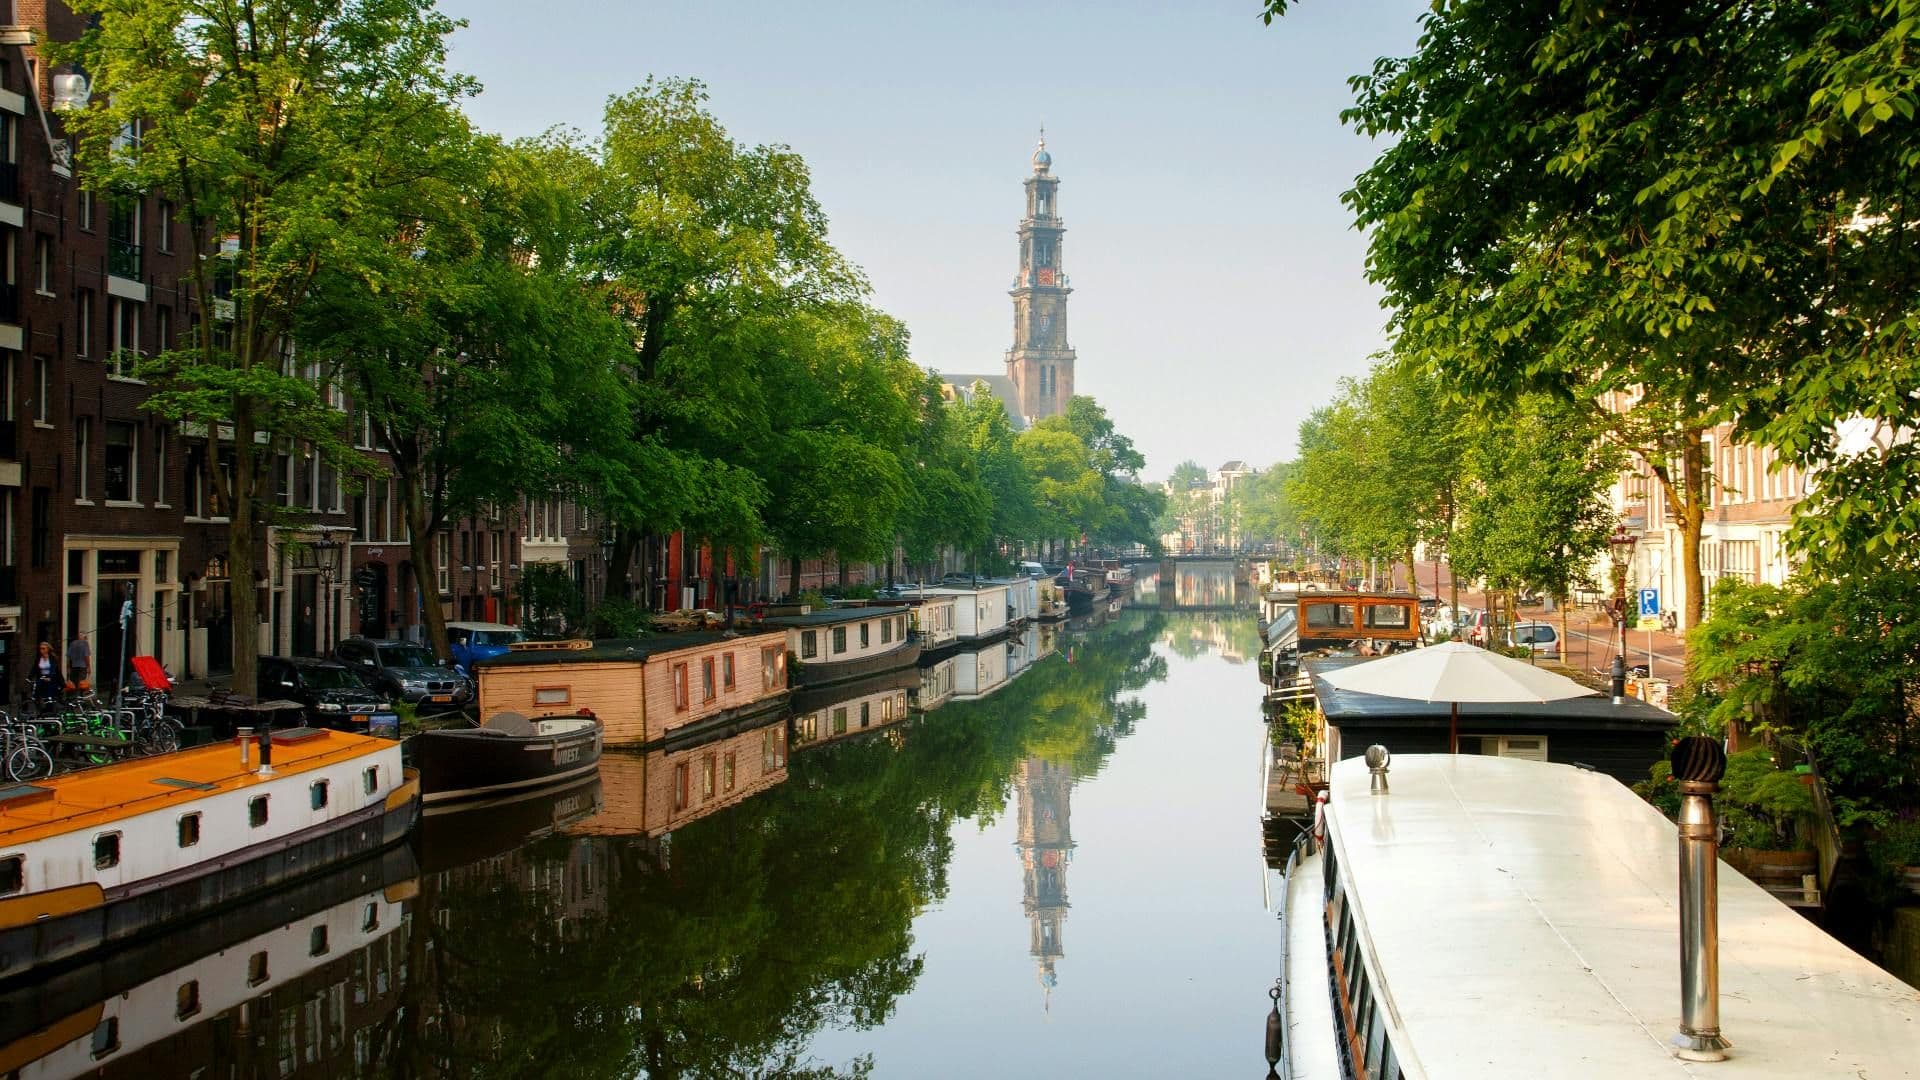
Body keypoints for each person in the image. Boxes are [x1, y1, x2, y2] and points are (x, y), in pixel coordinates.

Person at [31, 641, 60, 707]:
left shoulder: (52, 658)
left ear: (48, 649)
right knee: (37, 694)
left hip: (50, 678)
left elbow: (54, 669)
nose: (41, 650)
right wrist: (29, 677)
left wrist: (50, 677)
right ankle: (39, 708)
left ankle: (50, 708)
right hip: (41, 678)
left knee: (49, 696)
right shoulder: (39, 658)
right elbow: (34, 668)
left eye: (43, 648)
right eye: (40, 648)